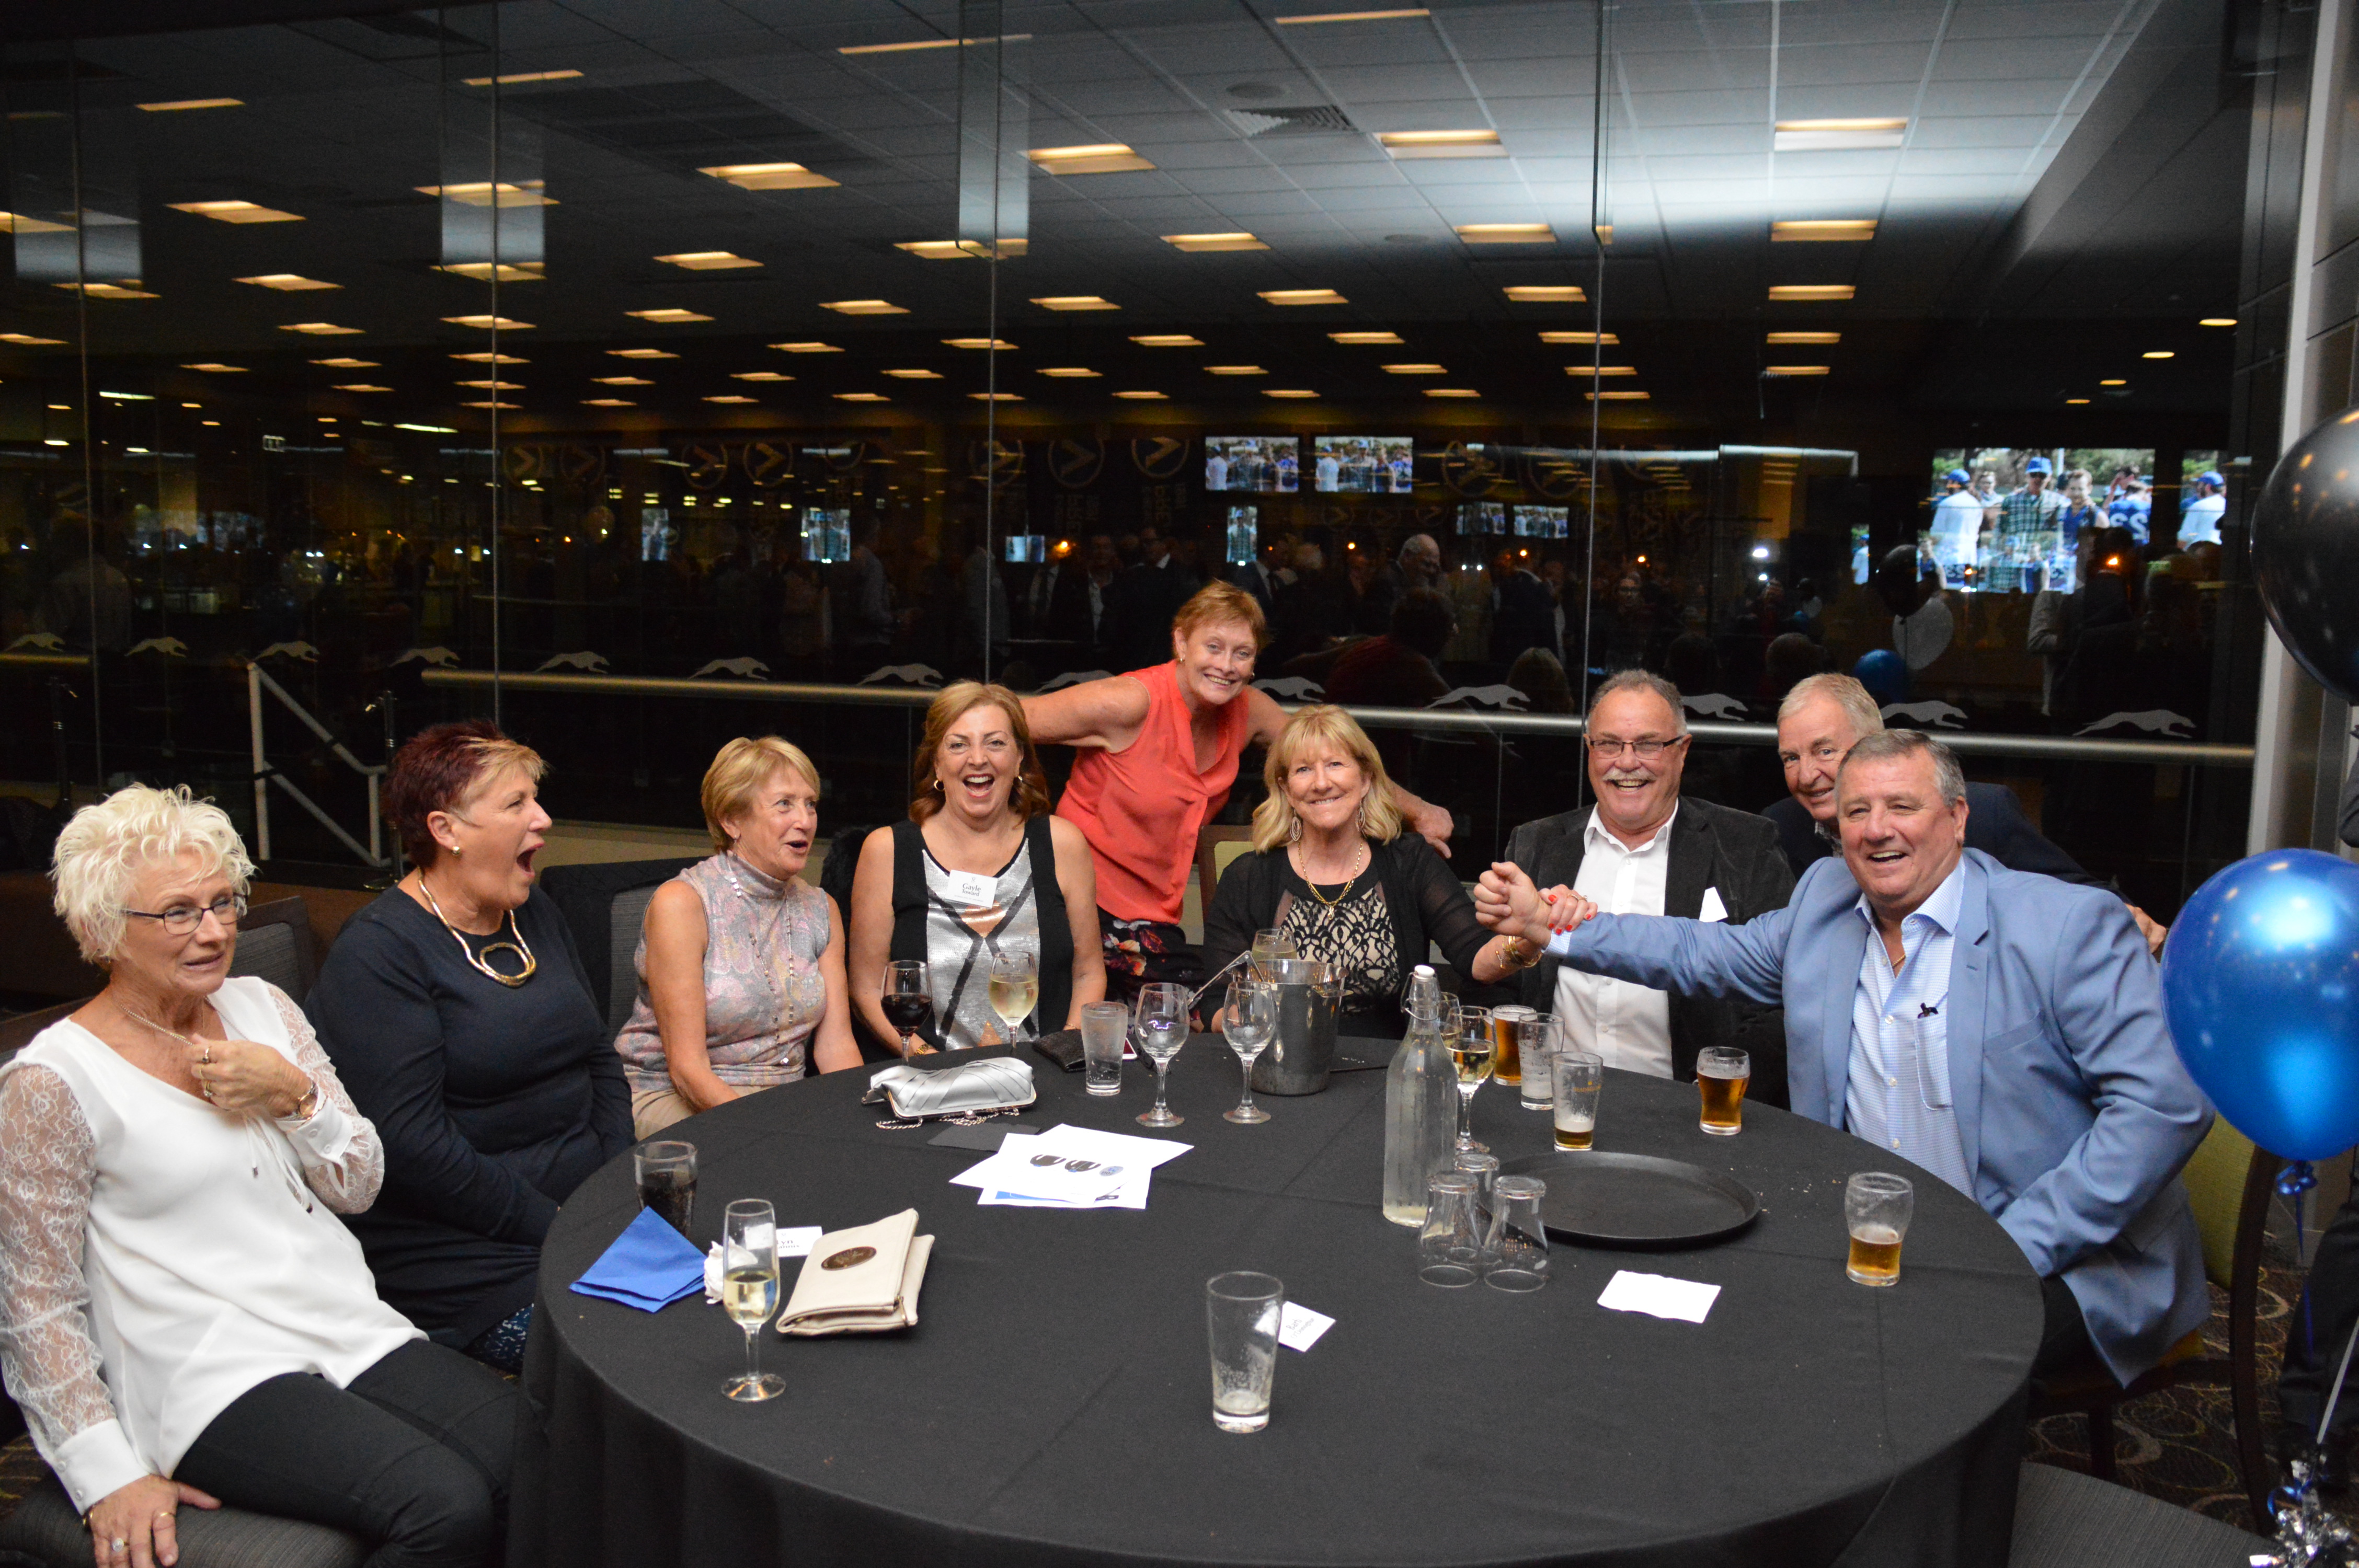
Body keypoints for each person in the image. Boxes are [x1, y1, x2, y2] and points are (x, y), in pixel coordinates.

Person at [1477, 730, 2214, 1386]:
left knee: (1898, 1369)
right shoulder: (1827, 903)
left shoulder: (2063, 925)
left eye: (1903, 807)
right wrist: (1548, 926)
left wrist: (2011, 1247)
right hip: (1873, 1236)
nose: (1877, 830)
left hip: (2054, 1255)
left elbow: (2164, 1106)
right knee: (1729, 1324)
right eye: (1857, 811)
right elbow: (1699, 950)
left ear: (1958, 818)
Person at [2, 786, 517, 1568]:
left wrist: (296, 1097)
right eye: (179, 913)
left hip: (341, 1321)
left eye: (223, 903)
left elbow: (358, 1185)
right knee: (443, 1506)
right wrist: (104, 1474)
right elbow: (35, 1303)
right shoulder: (55, 1080)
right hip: (203, 1370)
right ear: (104, 929)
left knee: (529, 1457)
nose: (213, 932)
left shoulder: (262, 1007)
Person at [308, 721, 631, 1372]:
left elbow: (598, 1055)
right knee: (639, 1354)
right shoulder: (379, 952)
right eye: (516, 804)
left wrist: (619, 1187)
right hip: (470, 1254)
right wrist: (561, 1223)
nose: (542, 819)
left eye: (535, 798)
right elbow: (413, 1147)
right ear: (445, 830)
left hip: (586, 1215)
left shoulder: (532, 911)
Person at [1026, 581, 1452, 999]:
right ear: (1181, 643)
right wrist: (1008, 825)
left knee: (1192, 1018)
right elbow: (1005, 720)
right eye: (1213, 647)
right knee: (1196, 1015)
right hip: (1076, 905)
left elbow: (1339, 756)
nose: (1226, 665)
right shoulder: (1129, 701)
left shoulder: (1248, 710)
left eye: (1242, 653)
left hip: (1151, 920)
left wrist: (1420, 812)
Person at [1501, 671, 1799, 1104]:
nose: (1626, 762)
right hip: (1553, 1107)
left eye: (1647, 744)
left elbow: (1784, 1001)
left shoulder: (1745, 846)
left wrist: (1709, 1096)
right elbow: (1499, 988)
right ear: (1589, 750)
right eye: (1609, 744)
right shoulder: (1537, 844)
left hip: (1685, 1114)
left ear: (1682, 751)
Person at [1203, 707, 1525, 1037]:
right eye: (1304, 769)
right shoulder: (1248, 877)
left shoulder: (1409, 862)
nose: (1321, 783)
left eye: (1335, 764)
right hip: (1282, 1059)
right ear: (1287, 790)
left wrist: (1531, 935)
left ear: (1366, 778)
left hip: (1389, 1062)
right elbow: (1217, 1001)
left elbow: (1477, 959)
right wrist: (1247, 1023)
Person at [613, 737, 861, 1137]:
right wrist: (769, 1134)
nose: (805, 820)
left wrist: (861, 1120)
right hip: (675, 1095)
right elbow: (687, 1070)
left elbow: (836, 1047)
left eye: (811, 804)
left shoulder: (821, 908)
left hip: (785, 1100)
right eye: (784, 804)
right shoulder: (684, 904)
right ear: (732, 821)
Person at [850, 683, 1104, 1052]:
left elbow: (1088, 973)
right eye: (958, 745)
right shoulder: (887, 851)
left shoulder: (1062, 844)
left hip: (1045, 1074)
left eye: (995, 743)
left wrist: (1059, 1057)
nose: (978, 759)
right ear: (937, 763)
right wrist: (928, 1061)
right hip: (928, 1076)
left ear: (1019, 758)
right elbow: (867, 989)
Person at [1927, 468, 1986, 587]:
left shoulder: (1947, 504)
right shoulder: (1976, 505)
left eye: (1949, 482)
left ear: (1955, 484)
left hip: (1949, 558)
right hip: (1970, 557)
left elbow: (1937, 535)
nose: (1947, 486)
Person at [2179, 470, 2227, 546]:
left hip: (2201, 551)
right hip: (2220, 550)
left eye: (2199, 485)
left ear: (2208, 487)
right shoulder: (2227, 505)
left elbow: (2185, 537)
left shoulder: (2198, 506)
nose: (2197, 488)